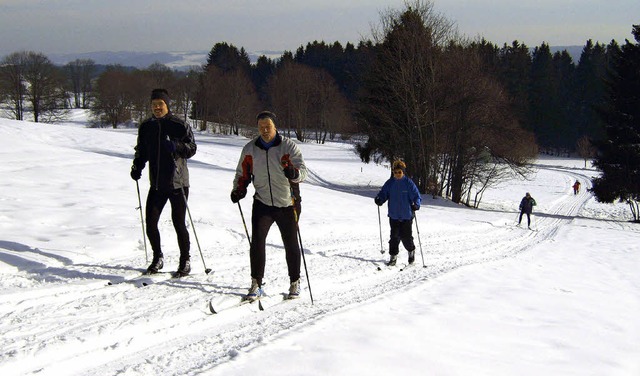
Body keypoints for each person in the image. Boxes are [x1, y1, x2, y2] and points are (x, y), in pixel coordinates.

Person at [231, 111, 307, 301]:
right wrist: (238, 189)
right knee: (257, 242)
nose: (265, 130)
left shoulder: (288, 147)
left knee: (290, 243)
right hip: (262, 203)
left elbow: (303, 172)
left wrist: (293, 173)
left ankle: (294, 282)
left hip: (288, 203)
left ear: (275, 127)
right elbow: (242, 173)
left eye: (268, 126)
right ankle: (256, 283)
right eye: (261, 127)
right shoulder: (250, 149)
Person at [130, 88, 197, 277]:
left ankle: (185, 261)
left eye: (160, 104)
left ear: (167, 105)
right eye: (154, 104)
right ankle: (157, 257)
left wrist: (176, 146)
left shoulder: (179, 125)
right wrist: (138, 166)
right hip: (157, 183)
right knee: (151, 222)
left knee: (178, 223)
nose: (157, 107)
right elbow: (142, 150)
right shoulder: (146, 126)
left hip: (177, 183)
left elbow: (192, 149)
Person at [374, 160, 422, 266]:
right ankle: (393, 257)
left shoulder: (409, 183)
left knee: (406, 237)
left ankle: (411, 251)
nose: (397, 174)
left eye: (399, 172)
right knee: (394, 237)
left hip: (407, 215)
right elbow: (383, 193)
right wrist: (379, 199)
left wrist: (416, 205)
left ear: (403, 172)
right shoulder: (390, 183)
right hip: (394, 215)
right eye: (395, 172)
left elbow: (417, 196)